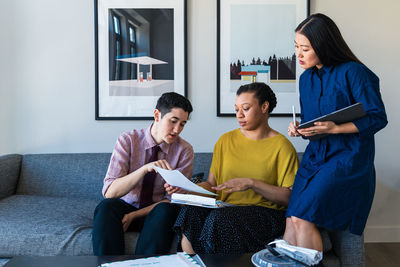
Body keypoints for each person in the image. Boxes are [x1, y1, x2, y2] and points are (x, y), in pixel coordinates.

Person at [283, 13, 388, 264]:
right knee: (290, 219)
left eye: (305, 48)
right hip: (315, 159)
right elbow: (314, 124)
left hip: (347, 160)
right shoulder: (306, 79)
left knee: (302, 217)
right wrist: (300, 129)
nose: (298, 54)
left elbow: (378, 118)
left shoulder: (354, 72)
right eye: (296, 47)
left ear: (324, 45)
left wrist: (335, 129)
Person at [169, 82, 299, 254]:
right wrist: (187, 190)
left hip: (266, 214)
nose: (239, 115)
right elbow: (211, 184)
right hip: (225, 208)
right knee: (191, 212)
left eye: (245, 108)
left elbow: (290, 197)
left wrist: (252, 183)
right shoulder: (225, 140)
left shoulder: (282, 146)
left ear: (264, 107)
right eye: (236, 109)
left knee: (220, 219)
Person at [92, 92, 194, 256]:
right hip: (125, 207)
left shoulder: (185, 151)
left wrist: (134, 215)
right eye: (173, 121)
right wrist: (144, 169)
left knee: (166, 210)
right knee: (106, 207)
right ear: (157, 115)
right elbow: (110, 192)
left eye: (182, 124)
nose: (177, 130)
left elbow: (174, 202)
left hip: (157, 213)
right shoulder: (128, 140)